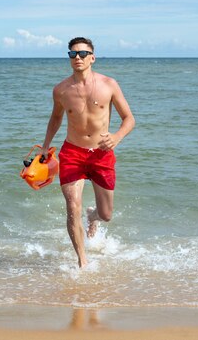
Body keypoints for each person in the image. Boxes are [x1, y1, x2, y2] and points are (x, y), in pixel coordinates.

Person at [41, 37, 135, 268]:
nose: (78, 58)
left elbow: (129, 119)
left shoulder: (109, 84)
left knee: (107, 214)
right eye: (73, 54)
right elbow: (55, 119)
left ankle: (93, 216)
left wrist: (116, 137)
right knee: (72, 207)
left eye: (83, 54)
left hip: (101, 153)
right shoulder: (61, 90)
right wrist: (45, 146)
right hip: (72, 152)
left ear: (92, 57)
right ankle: (83, 261)